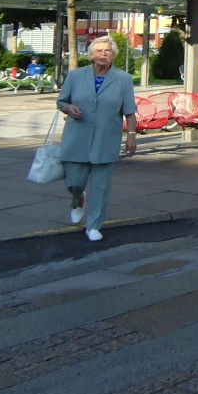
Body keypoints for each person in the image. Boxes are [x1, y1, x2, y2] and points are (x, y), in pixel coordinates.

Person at [56, 36, 137, 243]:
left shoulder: (123, 79)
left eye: (107, 51)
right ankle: (77, 199)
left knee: (100, 187)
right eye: (99, 51)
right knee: (74, 181)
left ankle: (93, 225)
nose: (103, 54)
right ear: (91, 55)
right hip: (77, 136)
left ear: (113, 55)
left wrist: (131, 136)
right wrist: (68, 107)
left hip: (106, 138)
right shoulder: (75, 76)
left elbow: (129, 111)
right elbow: (61, 101)